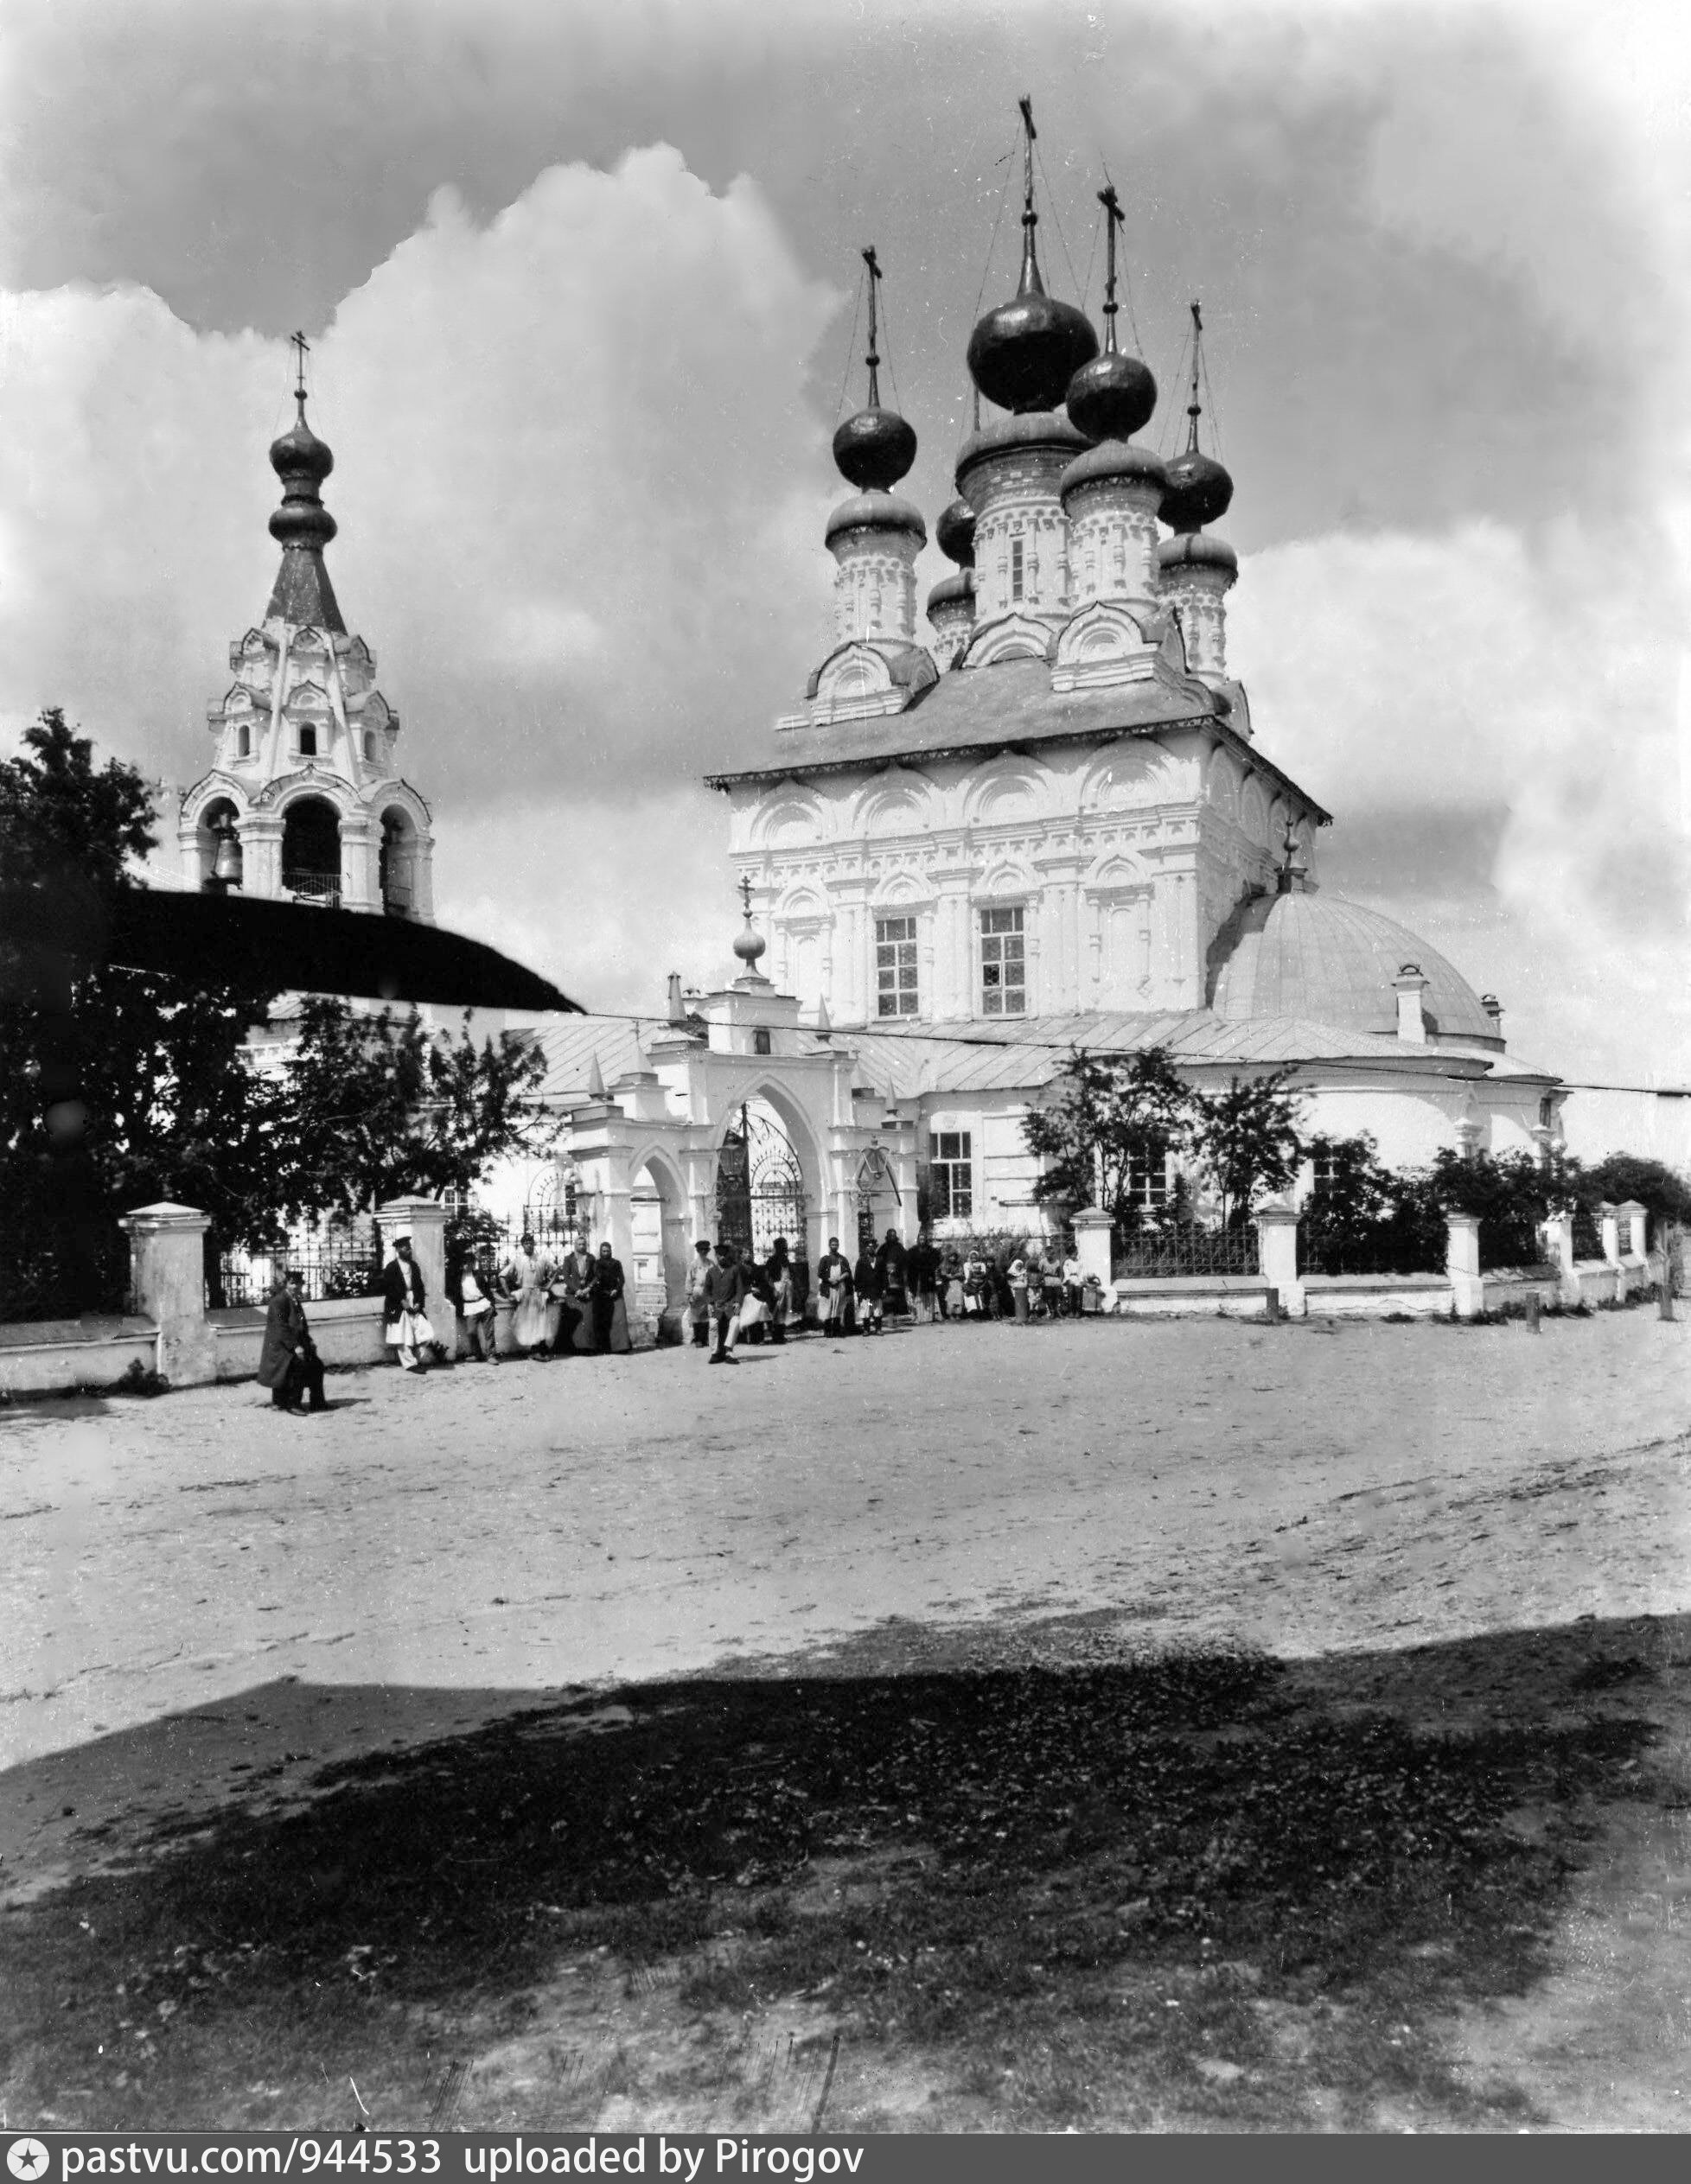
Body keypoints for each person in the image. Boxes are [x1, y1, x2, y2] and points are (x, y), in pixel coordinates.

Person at [258, 1266, 326, 1412]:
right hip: (281, 1347)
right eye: (292, 1283)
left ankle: (318, 1402)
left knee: (317, 1365)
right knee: (299, 1366)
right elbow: (280, 1327)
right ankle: (294, 1404)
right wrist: (296, 1346)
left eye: (298, 1283)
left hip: (294, 1343)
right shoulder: (279, 1301)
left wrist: (309, 1341)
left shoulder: (295, 1300)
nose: (296, 1286)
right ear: (286, 1284)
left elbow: (301, 1326)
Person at [382, 1233, 437, 1372]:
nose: (409, 1250)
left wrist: (419, 1302)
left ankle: (416, 1359)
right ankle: (410, 1364)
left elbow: (420, 1286)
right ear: (399, 1250)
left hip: (414, 1300)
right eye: (406, 1248)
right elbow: (388, 1288)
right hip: (398, 1304)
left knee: (425, 1332)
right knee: (402, 1335)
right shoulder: (391, 1268)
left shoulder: (414, 1266)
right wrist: (402, 1302)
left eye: (410, 1248)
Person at [502, 1230, 554, 1358]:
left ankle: (540, 1348)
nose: (529, 1245)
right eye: (526, 1243)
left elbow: (556, 1269)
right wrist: (508, 1294)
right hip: (525, 1294)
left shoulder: (541, 1258)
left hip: (538, 1293)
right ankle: (534, 1350)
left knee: (540, 1321)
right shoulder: (518, 1260)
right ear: (522, 1245)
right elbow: (502, 1276)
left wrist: (548, 1285)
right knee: (527, 1322)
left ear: (534, 1244)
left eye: (530, 1242)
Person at [705, 1238, 750, 1362]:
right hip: (717, 1306)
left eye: (724, 1255)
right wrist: (709, 1303)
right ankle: (715, 1353)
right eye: (719, 1255)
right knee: (713, 1324)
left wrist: (737, 1302)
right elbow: (707, 1290)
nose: (722, 1258)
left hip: (730, 1305)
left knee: (735, 1321)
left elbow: (740, 1288)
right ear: (716, 1256)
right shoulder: (711, 1272)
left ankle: (729, 1350)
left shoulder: (734, 1270)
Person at [450, 1250, 500, 1363]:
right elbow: (456, 1294)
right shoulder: (458, 1277)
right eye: (465, 1263)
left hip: (484, 1304)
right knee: (471, 1332)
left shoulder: (479, 1275)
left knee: (489, 1332)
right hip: (470, 1307)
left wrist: (492, 1305)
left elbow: (488, 1291)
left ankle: (491, 1355)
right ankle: (478, 1355)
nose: (467, 1265)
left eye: (470, 1262)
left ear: (473, 1263)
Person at [818, 1235, 854, 1334]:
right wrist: (830, 1280)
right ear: (829, 1245)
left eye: (836, 1245)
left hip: (840, 1286)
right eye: (833, 1245)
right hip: (828, 1288)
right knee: (828, 1309)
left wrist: (839, 1279)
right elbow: (820, 1273)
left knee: (838, 1308)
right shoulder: (825, 1259)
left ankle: (836, 1330)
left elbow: (847, 1272)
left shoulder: (842, 1259)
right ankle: (828, 1331)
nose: (835, 1246)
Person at [685, 1239, 714, 1348]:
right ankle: (697, 1339)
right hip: (697, 1291)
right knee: (696, 1316)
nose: (703, 1252)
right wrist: (689, 1294)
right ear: (698, 1251)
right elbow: (689, 1279)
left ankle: (704, 1338)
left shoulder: (711, 1264)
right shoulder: (693, 1264)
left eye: (705, 1250)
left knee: (706, 1315)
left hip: (708, 1291)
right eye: (701, 1250)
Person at [765, 1237, 794, 1344]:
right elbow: (767, 1276)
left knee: (785, 1311)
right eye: (784, 1246)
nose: (786, 1248)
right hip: (778, 1287)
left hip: (786, 1288)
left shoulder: (785, 1259)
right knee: (777, 1312)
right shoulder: (772, 1260)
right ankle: (776, 1336)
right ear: (778, 1247)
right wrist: (773, 1288)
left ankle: (781, 1335)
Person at [877, 1227, 909, 1318]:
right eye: (891, 1236)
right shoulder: (883, 1248)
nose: (892, 1237)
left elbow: (905, 1260)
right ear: (887, 1236)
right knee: (888, 1295)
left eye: (894, 1235)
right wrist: (886, 1269)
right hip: (886, 1276)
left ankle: (900, 1312)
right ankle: (888, 1313)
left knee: (898, 1295)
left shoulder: (899, 1247)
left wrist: (897, 1268)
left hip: (897, 1276)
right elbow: (879, 1261)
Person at [853, 1239, 884, 1334]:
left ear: (875, 1248)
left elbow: (884, 1275)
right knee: (866, 1309)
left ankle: (878, 1329)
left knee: (877, 1309)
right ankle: (866, 1329)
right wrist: (858, 1290)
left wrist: (884, 1289)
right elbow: (857, 1276)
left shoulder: (880, 1260)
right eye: (869, 1246)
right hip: (866, 1291)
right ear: (866, 1248)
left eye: (873, 1247)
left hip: (877, 1290)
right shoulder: (861, 1261)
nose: (871, 1248)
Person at [940, 1247, 965, 1321]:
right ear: (948, 1257)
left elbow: (961, 1273)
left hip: (958, 1283)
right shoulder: (945, 1265)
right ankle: (950, 1314)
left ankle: (958, 1314)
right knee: (950, 1299)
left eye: (954, 1257)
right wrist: (951, 1276)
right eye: (951, 1256)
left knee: (959, 1299)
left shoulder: (959, 1264)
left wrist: (953, 1276)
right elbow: (944, 1274)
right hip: (949, 1285)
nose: (953, 1258)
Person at [1062, 1245, 1084, 1319]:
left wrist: (1081, 1281)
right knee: (1070, 1296)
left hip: (1077, 1278)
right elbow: (1066, 1271)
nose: (1074, 1255)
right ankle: (1071, 1312)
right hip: (1070, 1278)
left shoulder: (1080, 1262)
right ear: (1070, 1254)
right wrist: (1068, 1279)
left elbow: (1081, 1272)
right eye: (1072, 1254)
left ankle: (1078, 1312)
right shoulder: (1067, 1262)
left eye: (1075, 1254)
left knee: (1078, 1297)